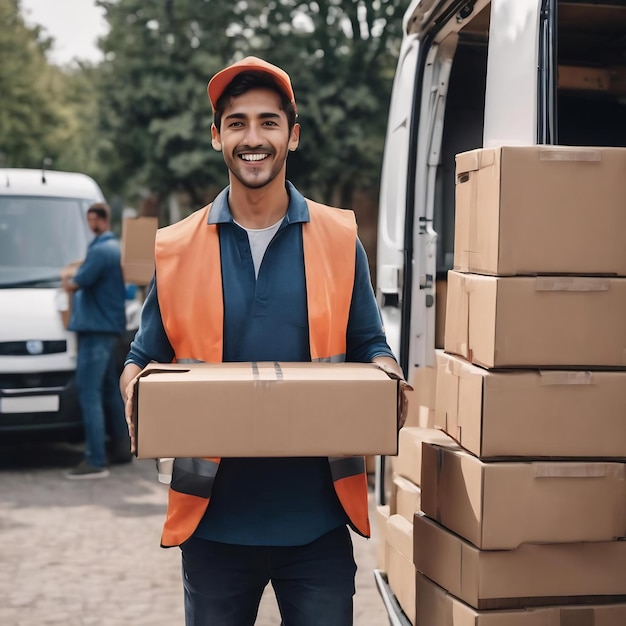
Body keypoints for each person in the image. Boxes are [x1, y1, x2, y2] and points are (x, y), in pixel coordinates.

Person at [119, 56, 409, 626]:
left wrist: (387, 376)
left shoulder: (339, 237)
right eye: (237, 123)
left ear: (292, 136)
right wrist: (138, 395)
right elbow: (140, 359)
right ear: (217, 137)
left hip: (318, 522)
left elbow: (370, 342)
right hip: (215, 526)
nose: (254, 138)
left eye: (269, 123)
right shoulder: (175, 248)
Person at [62, 202, 132, 479]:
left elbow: (78, 281)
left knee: (88, 392)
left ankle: (94, 459)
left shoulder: (102, 250)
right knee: (108, 392)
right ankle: (122, 449)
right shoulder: (112, 248)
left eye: (93, 221)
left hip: (95, 330)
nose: (91, 226)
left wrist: (68, 280)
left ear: (102, 221)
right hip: (109, 329)